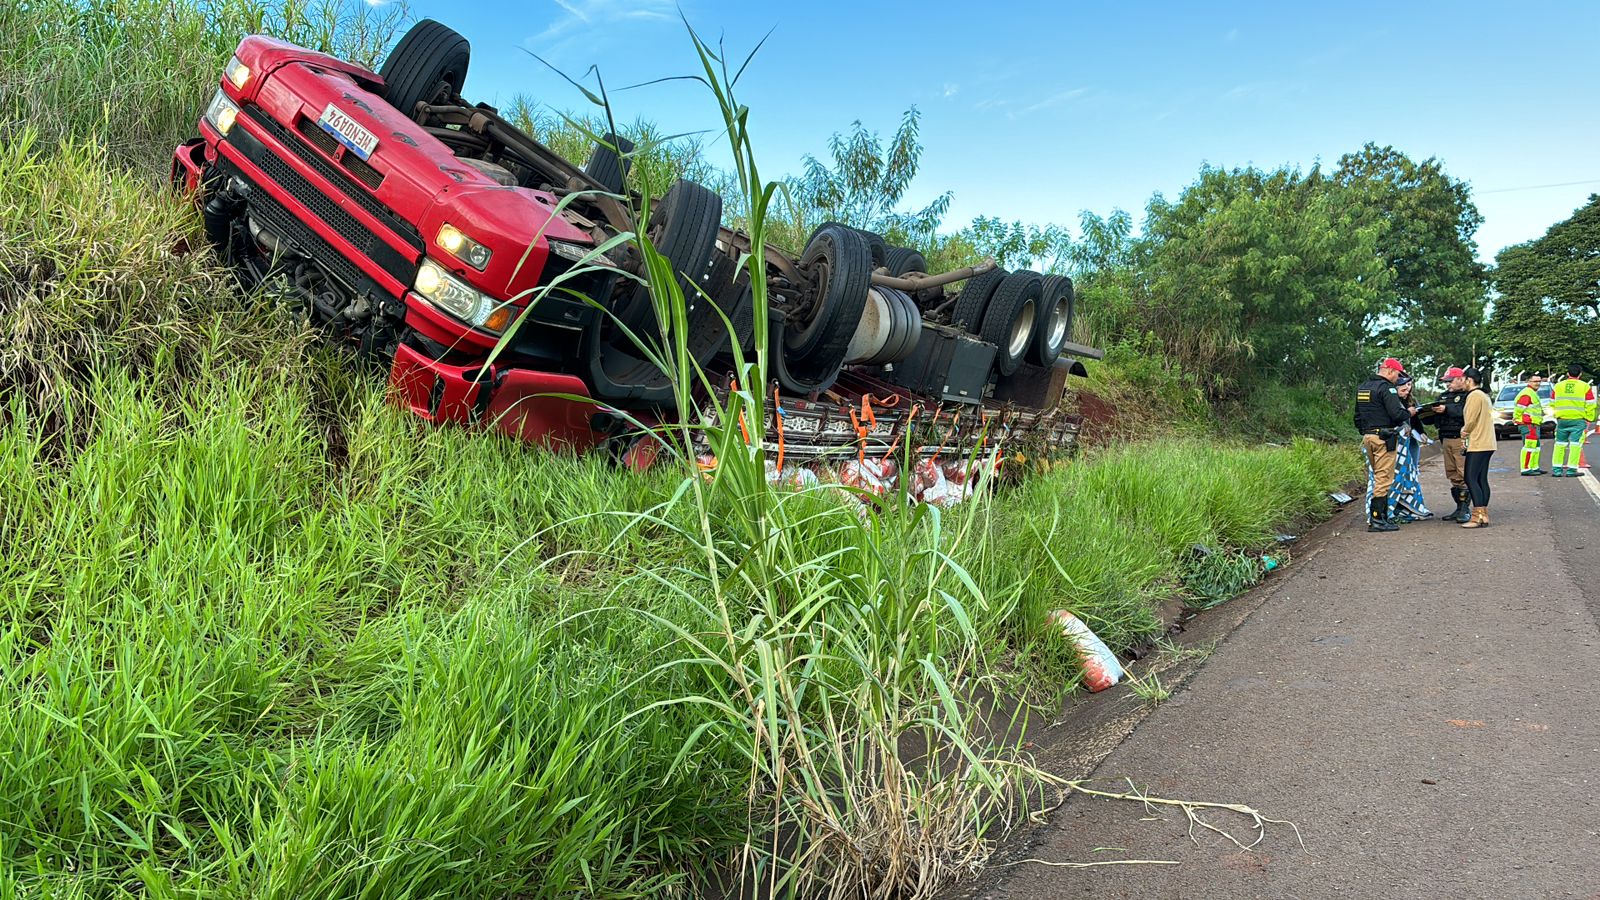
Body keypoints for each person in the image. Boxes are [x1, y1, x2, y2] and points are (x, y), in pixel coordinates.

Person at [1353, 357, 1411, 533]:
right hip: (1384, 439)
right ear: (1390, 370)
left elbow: (1357, 416)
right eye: (1397, 374)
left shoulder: (1363, 387)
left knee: (1377, 476)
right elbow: (1396, 413)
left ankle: (1380, 517)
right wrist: (1408, 412)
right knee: (1383, 479)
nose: (1397, 378)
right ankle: (1378, 520)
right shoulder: (1387, 388)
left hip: (1368, 437)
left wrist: (1366, 431)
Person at [1421, 367, 1471, 521]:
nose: (1448, 385)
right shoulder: (1443, 397)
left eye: (1450, 381)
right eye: (1446, 382)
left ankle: (1465, 509)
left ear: (1460, 379)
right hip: (1445, 438)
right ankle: (1458, 508)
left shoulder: (1468, 396)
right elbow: (1433, 418)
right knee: (1453, 474)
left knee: (1463, 474)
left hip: (1460, 438)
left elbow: (1464, 412)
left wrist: (1446, 409)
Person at [1388, 376, 1433, 522]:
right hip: (1395, 442)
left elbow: (1415, 419)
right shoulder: (1391, 399)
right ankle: (1396, 507)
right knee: (1396, 474)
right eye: (1404, 386)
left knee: (1411, 471)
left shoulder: (1410, 400)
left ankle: (1409, 505)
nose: (1407, 389)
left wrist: (1421, 432)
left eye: (1409, 386)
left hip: (1411, 440)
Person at [1460, 367, 1496, 529]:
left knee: (1470, 478)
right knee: (1481, 479)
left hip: (1478, 443)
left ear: (1469, 380)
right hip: (1487, 442)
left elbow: (1471, 420)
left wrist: (1464, 432)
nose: (1462, 383)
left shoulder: (1474, 396)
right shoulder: (1484, 395)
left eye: (1463, 379)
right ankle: (1483, 514)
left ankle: (1477, 516)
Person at [1549, 364, 1596, 477]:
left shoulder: (1558, 386)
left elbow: (1551, 402)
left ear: (1567, 374)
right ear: (1580, 374)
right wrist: (1589, 418)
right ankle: (1571, 470)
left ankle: (1557, 470)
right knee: (1575, 445)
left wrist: (1556, 414)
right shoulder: (1584, 386)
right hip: (1578, 420)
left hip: (1562, 419)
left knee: (1559, 444)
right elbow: (1590, 404)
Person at [1514, 373, 1546, 476]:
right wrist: (1519, 419)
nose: (1537, 383)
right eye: (1535, 381)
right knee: (1529, 447)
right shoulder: (1527, 393)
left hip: (1533, 424)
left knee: (1535, 447)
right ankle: (1526, 468)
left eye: (1539, 381)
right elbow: (1519, 409)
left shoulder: (1531, 392)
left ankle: (1534, 467)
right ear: (1529, 382)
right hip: (1528, 424)